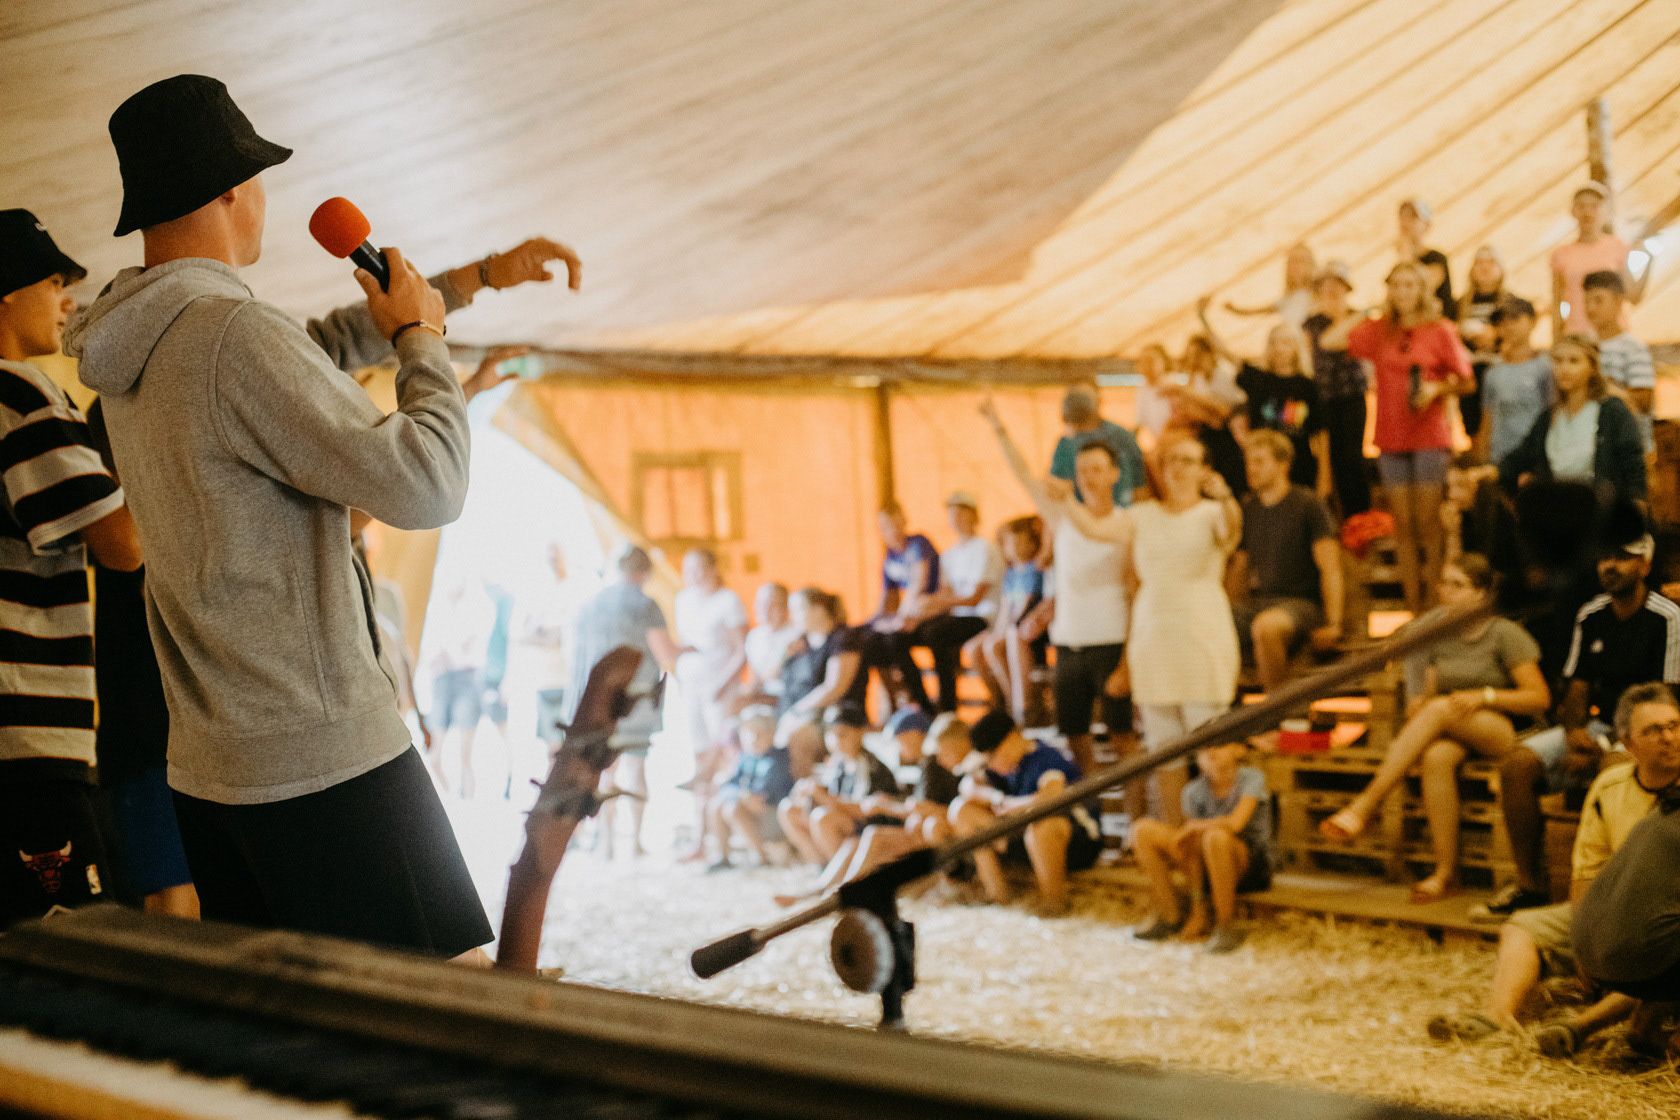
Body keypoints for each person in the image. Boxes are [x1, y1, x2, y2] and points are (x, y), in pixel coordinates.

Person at [65, 75, 580, 956]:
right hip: (323, 757)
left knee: (295, 1018)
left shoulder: (130, 354)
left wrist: (470, 281)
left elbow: (321, 347)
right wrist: (422, 342)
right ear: (234, 189)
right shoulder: (234, 335)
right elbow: (430, 486)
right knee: (433, 1010)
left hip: (211, 773)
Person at [0, 211, 143, 930]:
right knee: (78, 955)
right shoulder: (19, 394)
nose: (67, 301)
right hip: (28, 742)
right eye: (54, 282)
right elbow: (124, 544)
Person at [1428, 682, 1680, 1046]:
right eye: (1653, 731)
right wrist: (1584, 939)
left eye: (1674, 726)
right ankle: (1496, 1017)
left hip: (1664, 917)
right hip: (1612, 903)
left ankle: (1581, 1026)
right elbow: (1586, 872)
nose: (1669, 738)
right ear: (1628, 743)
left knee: (1649, 945)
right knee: (1522, 927)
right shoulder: (1610, 787)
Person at [1317, 555, 1551, 902]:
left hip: (1508, 729)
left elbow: (1539, 698)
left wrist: (1484, 696)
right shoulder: (1437, 631)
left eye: (1457, 585)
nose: (1446, 591)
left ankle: (1367, 804)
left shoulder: (1503, 633)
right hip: (1456, 725)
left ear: (1480, 594)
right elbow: (1426, 683)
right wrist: (1418, 701)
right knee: (1436, 757)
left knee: (1441, 708)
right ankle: (1446, 873)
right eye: (1444, 583)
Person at [1482, 531, 1680, 919]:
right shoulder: (1591, 614)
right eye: (1604, 558)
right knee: (1517, 766)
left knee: (1615, 768)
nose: (1610, 565)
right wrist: (1575, 733)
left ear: (1645, 566)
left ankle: (1625, 898)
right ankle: (1530, 886)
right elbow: (1576, 683)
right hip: (1600, 725)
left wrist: (1608, 746)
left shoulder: (1668, 617)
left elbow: (1667, 697)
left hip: (1650, 728)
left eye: (1622, 557)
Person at [1077, 434, 1240, 825]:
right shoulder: (1142, 515)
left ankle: (1217, 837)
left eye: (1187, 460)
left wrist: (1226, 497)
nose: (1177, 468)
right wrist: (1065, 499)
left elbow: (1231, 532)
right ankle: (1176, 835)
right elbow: (1094, 529)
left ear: (1203, 468)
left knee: (1211, 746)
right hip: (1153, 635)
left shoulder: (1213, 511)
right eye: (1170, 460)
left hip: (1201, 631)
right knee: (1164, 749)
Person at [83, 400, 196, 917]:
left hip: (173, 740)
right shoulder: (119, 523)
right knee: (172, 897)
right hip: (145, 742)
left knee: (185, 895)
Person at [983, 397, 1133, 780]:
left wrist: (1127, 659)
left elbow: (1131, 583)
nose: (1088, 478)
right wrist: (998, 426)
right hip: (1068, 642)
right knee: (1075, 738)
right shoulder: (1062, 515)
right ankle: (1089, 806)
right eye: (1082, 471)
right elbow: (1023, 474)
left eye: (1097, 469)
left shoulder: (1128, 521)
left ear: (1114, 474)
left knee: (1122, 739)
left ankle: (1134, 811)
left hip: (1112, 638)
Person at [1320, 260, 1473, 613]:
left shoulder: (1439, 329)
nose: (1402, 292)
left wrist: (1436, 389)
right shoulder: (1381, 330)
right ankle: (1414, 607)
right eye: (1396, 285)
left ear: (1421, 290)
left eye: (1409, 285)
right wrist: (1366, 311)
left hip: (1430, 435)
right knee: (1402, 526)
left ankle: (1435, 605)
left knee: (1428, 523)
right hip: (1391, 437)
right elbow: (1330, 340)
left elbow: (1467, 381)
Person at [778, 713, 972, 906]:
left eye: (899, 739)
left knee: (868, 834)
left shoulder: (938, 765)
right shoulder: (930, 764)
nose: (898, 746)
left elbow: (921, 809)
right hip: (912, 827)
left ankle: (842, 895)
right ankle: (822, 889)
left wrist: (889, 806)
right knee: (853, 843)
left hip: (920, 831)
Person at [568, 544, 680, 859]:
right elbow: (665, 652)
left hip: (594, 702)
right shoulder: (645, 604)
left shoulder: (589, 604)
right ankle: (635, 841)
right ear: (645, 572)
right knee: (634, 769)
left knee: (605, 773)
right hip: (633, 702)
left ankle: (605, 843)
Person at [949, 710, 1103, 916]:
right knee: (961, 810)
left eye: (992, 758)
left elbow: (1051, 797)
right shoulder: (1002, 768)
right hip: (1026, 840)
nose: (991, 766)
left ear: (1011, 739)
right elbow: (967, 786)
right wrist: (997, 798)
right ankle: (998, 897)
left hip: (1078, 843)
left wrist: (1009, 805)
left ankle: (1054, 905)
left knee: (1041, 826)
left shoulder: (1046, 757)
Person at [1570, 778, 1680, 1058]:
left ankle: (1635, 1027)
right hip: (1642, 954)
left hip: (1589, 946)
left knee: (1660, 937)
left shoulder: (1664, 809)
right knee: (1659, 941)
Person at [1131, 741, 1272, 953]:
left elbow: (1236, 824)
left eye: (1219, 745)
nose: (1211, 752)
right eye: (1204, 748)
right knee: (1142, 830)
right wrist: (1198, 908)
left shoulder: (1252, 778)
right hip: (1207, 863)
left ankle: (1225, 925)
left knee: (1215, 837)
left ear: (1239, 750)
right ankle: (1171, 916)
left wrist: (1197, 826)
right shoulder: (1193, 791)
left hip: (1249, 864)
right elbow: (1192, 848)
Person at [1228, 431, 1343, 692]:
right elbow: (1240, 566)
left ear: (1283, 464)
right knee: (1208, 621)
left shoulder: (1308, 504)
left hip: (1302, 604)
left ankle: (1277, 710)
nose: (1251, 469)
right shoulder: (1248, 509)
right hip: (1260, 602)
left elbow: (1330, 567)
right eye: (1248, 462)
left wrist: (1334, 623)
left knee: (1266, 628)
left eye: (1259, 461)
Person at [1498, 334, 1645, 503]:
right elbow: (1519, 457)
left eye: (1574, 361)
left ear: (1592, 367)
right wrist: (1493, 473)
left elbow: (1633, 463)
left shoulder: (1611, 411)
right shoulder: (1548, 416)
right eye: (1558, 361)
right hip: (1558, 509)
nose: (1564, 368)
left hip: (1600, 510)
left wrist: (1637, 504)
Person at [1199, 298, 1327, 492]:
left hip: (1300, 470)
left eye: (1285, 343)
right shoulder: (1257, 380)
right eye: (1273, 343)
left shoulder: (1308, 387)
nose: (1279, 348)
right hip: (1263, 470)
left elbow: (1321, 435)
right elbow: (1224, 352)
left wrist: (1324, 478)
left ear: (1296, 347)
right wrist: (1203, 318)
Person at [673, 548, 748, 819]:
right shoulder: (683, 599)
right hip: (690, 683)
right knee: (699, 747)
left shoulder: (728, 601)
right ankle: (702, 818)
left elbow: (742, 650)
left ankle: (726, 811)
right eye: (688, 570)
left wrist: (723, 683)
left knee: (724, 747)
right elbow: (686, 643)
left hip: (719, 685)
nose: (693, 576)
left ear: (713, 568)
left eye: (699, 569)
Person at [776, 702, 899, 866]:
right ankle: (821, 866)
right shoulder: (838, 763)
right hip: (846, 819)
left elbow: (863, 810)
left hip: (872, 827)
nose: (835, 741)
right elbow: (829, 793)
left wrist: (822, 796)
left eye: (842, 734)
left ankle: (843, 871)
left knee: (823, 819)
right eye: (831, 734)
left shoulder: (872, 767)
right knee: (789, 809)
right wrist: (807, 792)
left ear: (860, 733)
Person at [1302, 261, 1371, 517]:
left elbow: (1346, 343)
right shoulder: (1313, 322)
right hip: (1325, 398)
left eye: (1336, 284)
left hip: (1352, 397)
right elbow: (1321, 347)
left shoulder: (1358, 318)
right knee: (1332, 462)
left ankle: (1361, 517)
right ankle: (1340, 517)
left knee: (1353, 458)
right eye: (1326, 284)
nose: (1331, 290)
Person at [966, 517, 1053, 724]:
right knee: (975, 648)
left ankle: (1018, 705)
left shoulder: (1034, 570)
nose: (1013, 548)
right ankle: (1001, 700)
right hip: (1009, 625)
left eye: (1019, 542)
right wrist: (998, 630)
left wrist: (1004, 631)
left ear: (1031, 544)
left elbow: (1026, 606)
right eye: (1010, 543)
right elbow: (1006, 608)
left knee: (994, 646)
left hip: (1024, 627)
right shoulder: (1011, 574)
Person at [775, 587, 868, 778]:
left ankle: (808, 789)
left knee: (796, 737)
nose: (793, 616)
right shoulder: (801, 643)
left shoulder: (843, 639)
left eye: (798, 609)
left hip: (834, 713)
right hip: (796, 711)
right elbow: (770, 675)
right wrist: (785, 654)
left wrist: (795, 712)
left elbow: (835, 688)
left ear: (818, 610)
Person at [425, 579, 498, 798]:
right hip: (442, 679)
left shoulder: (477, 609)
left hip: (467, 678)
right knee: (435, 755)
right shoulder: (438, 611)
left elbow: (476, 648)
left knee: (465, 756)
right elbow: (430, 651)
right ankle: (448, 795)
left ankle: (466, 799)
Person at [864, 503, 939, 711]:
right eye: (886, 526)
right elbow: (886, 600)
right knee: (869, 641)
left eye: (896, 524)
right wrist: (867, 624)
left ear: (904, 521)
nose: (893, 531)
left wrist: (900, 618)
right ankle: (895, 699)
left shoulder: (919, 544)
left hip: (932, 610)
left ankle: (922, 703)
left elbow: (919, 585)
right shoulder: (890, 558)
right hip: (909, 614)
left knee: (894, 639)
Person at [703, 706, 795, 871]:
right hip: (751, 811)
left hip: (774, 816)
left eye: (759, 733)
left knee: (733, 809)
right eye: (748, 732)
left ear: (772, 734)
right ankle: (723, 856)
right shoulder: (745, 757)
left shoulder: (777, 759)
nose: (753, 738)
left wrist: (740, 795)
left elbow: (760, 799)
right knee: (716, 805)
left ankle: (761, 858)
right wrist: (741, 795)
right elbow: (726, 787)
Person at [1550, 182, 1645, 338]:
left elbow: (1632, 295)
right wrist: (1557, 338)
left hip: (1613, 335)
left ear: (1605, 211)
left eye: (1594, 206)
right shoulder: (1560, 254)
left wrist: (1650, 256)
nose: (1587, 212)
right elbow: (1556, 302)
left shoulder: (1618, 246)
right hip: (1577, 335)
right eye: (1581, 206)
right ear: (1573, 211)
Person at [1476, 297, 1552, 468]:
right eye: (1502, 322)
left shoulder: (1546, 367)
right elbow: (1487, 419)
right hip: (1500, 457)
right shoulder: (1493, 372)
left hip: (1535, 458)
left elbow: (1553, 413)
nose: (1508, 326)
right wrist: (1483, 460)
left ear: (1532, 321)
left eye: (1515, 319)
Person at [1582, 270, 1654, 448]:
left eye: (1598, 300)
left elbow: (1644, 403)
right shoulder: (1584, 347)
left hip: (1628, 446)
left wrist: (1602, 387)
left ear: (1618, 301)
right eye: (1586, 301)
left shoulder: (1633, 348)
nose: (1590, 308)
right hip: (1593, 445)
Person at [1049, 384, 1146, 507]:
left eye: (1083, 399)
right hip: (1082, 514)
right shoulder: (1065, 444)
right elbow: (1057, 487)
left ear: (1098, 401)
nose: (1079, 404)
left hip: (1122, 511)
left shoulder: (1121, 437)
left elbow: (1140, 486)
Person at [1177, 334, 1248, 499]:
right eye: (1190, 356)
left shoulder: (1224, 376)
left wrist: (1195, 400)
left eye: (1197, 355)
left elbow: (1224, 411)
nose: (1194, 360)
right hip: (1207, 434)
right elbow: (1193, 411)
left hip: (1228, 436)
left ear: (1209, 354)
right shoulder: (1196, 379)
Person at [1456, 246, 1509, 441]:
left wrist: (1494, 334)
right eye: (1480, 263)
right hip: (1469, 375)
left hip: (1500, 371)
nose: (1485, 268)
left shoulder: (1510, 302)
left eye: (1491, 262)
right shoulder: (1460, 304)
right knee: (1472, 425)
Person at [1222, 241, 1316, 327]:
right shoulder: (1286, 300)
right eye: (1291, 262)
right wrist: (1235, 310)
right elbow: (1255, 311)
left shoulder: (1316, 292)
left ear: (1310, 264)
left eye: (1300, 261)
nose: (1295, 266)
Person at [743, 581, 800, 703]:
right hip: (763, 698)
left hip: (789, 698)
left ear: (785, 607)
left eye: (772, 604)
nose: (764, 609)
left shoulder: (798, 635)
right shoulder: (754, 636)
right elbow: (756, 679)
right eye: (760, 604)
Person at [1396, 198, 1454, 312]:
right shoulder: (1400, 259)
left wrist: (1406, 254)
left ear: (1426, 225)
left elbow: (1418, 290)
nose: (1406, 222)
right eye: (1402, 216)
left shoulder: (1437, 259)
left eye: (1413, 217)